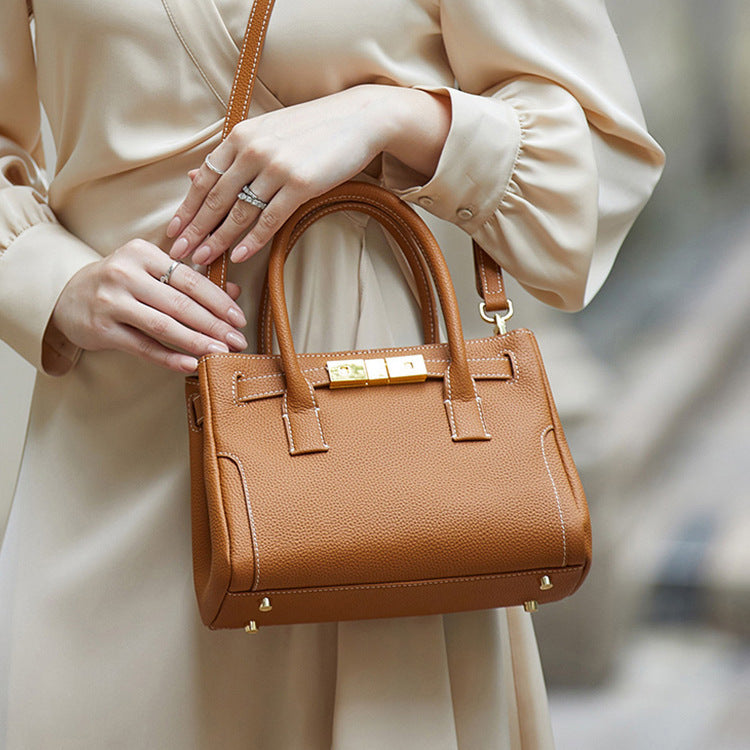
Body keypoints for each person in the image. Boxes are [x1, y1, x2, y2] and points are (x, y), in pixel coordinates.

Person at [0, 0, 664, 747]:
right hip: (116, 428)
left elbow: (600, 162)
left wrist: (390, 116)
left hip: (373, 455)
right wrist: (49, 277)